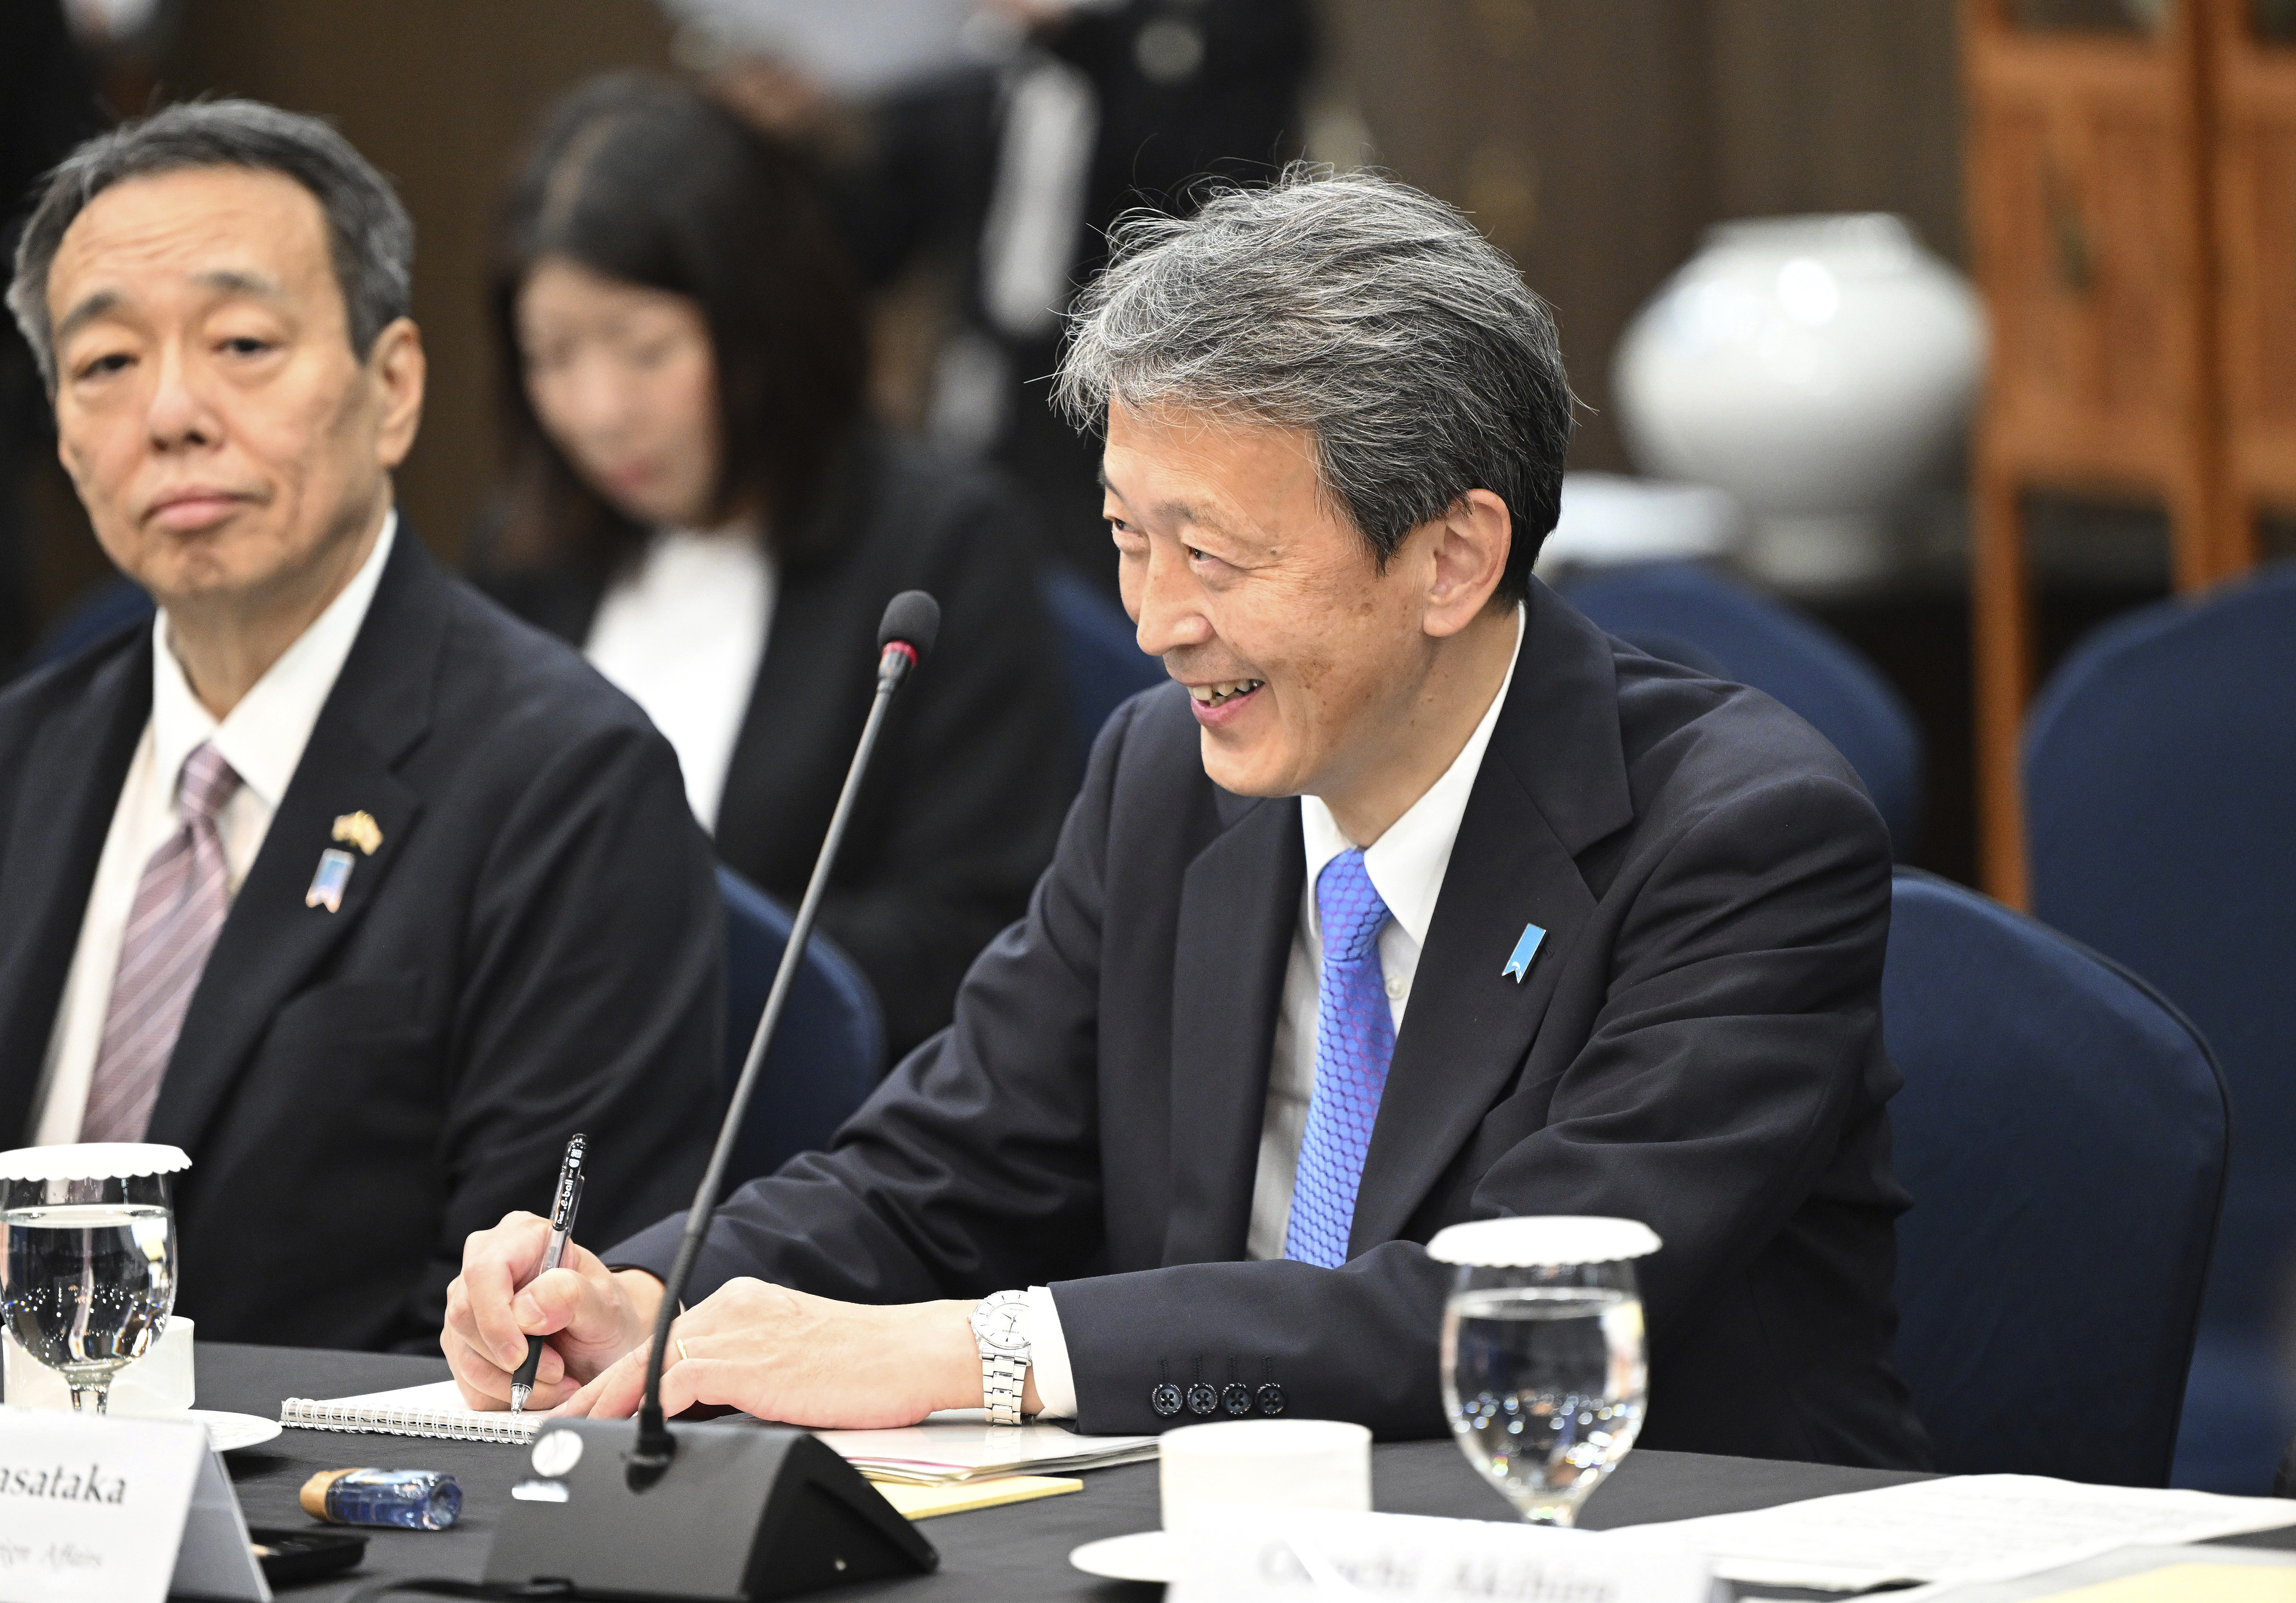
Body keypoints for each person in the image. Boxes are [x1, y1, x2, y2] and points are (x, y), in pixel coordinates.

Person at [443, 169, 1935, 1468]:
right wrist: (650, 1299)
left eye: (1212, 555)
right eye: (1124, 541)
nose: (1154, 622)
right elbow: (937, 1173)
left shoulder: (1741, 838)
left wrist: (984, 1358)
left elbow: (1508, 1315)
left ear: (1453, 558)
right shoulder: (1164, 779)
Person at [0, 100, 720, 1351]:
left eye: (239, 344)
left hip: (322, 1525)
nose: (171, 414)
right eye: (107, 363)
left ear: (391, 389)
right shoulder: (24, 757)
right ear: (61, 428)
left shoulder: (567, 785)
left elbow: (519, 1356)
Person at [471, 73, 1069, 1059]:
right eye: (551, 354)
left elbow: (979, 932)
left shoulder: (939, 546)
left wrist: (655, 955)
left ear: (761, 324)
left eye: (644, 348)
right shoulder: (527, 546)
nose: (598, 409)